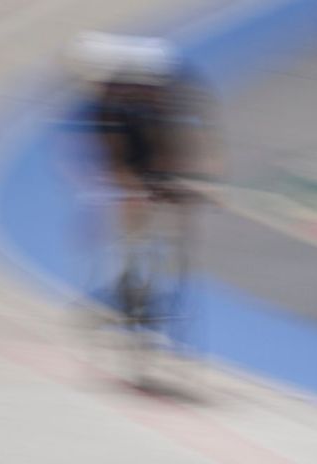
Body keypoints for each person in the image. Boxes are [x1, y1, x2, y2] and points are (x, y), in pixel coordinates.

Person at [65, 32, 216, 317]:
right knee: (124, 207)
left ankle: (159, 280)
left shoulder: (166, 100)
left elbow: (181, 145)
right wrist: (127, 186)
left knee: (177, 200)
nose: (154, 94)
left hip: (149, 149)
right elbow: (112, 154)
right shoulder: (107, 104)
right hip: (118, 152)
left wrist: (195, 182)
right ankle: (119, 276)